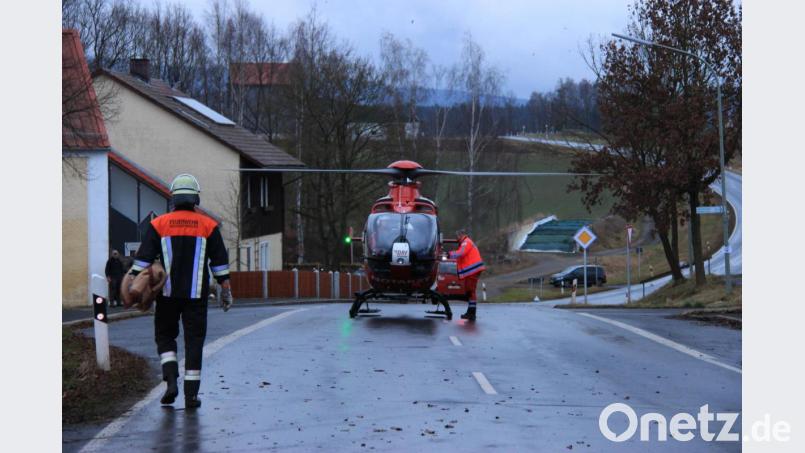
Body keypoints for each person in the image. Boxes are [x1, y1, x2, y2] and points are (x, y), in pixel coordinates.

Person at [129, 174, 233, 409]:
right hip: (196, 296)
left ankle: (170, 380)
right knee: (194, 342)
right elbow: (220, 263)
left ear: (173, 198)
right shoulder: (208, 225)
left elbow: (143, 260)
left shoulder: (159, 224)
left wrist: (132, 282)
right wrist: (225, 289)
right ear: (196, 198)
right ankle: (191, 396)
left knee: (165, 336)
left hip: (166, 294)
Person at [449, 229, 486, 321]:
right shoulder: (466, 242)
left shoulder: (466, 242)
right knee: (470, 292)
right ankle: (470, 312)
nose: (456, 239)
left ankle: (471, 313)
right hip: (473, 270)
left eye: (457, 236)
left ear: (461, 235)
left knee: (471, 291)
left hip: (473, 270)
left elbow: (461, 253)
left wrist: (450, 254)